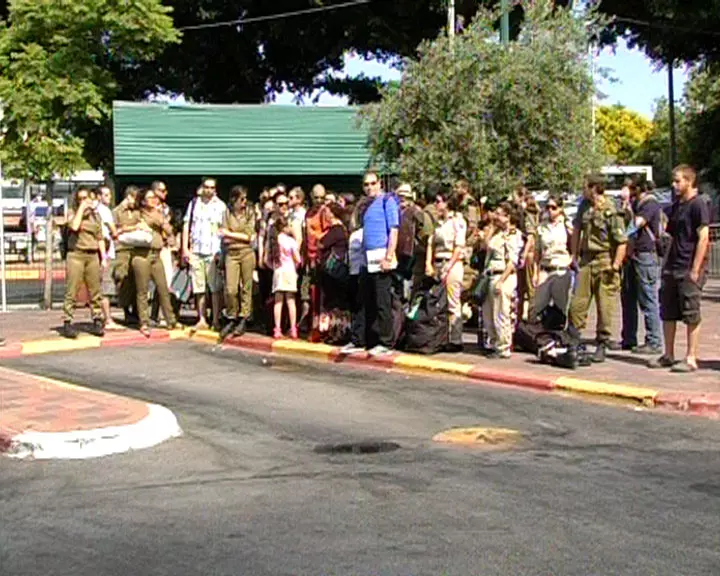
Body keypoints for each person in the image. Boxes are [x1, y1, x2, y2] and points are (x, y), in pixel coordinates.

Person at [649, 165, 711, 373]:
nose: (674, 185)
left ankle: (691, 357)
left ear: (689, 181)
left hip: (688, 266)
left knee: (691, 311)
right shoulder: (677, 205)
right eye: (674, 181)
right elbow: (669, 232)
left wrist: (695, 268)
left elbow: (703, 237)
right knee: (667, 311)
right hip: (671, 266)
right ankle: (668, 354)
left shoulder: (699, 204)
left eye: (678, 181)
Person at [568, 176, 628, 363]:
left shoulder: (611, 209)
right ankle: (574, 340)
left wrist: (615, 266)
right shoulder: (584, 206)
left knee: (605, 306)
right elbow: (577, 229)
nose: (582, 191)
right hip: (586, 260)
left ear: (594, 188)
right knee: (577, 304)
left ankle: (602, 343)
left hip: (605, 261)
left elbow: (621, 242)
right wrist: (574, 254)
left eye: (585, 187)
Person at [341, 171, 400, 357]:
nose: (370, 187)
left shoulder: (387, 201)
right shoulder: (365, 206)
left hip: (382, 256)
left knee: (382, 301)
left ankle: (386, 342)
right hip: (367, 258)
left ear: (380, 183)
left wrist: (389, 256)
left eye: (373, 183)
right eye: (366, 184)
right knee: (363, 300)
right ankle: (360, 339)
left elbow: (394, 231)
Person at [620, 180, 663, 355]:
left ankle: (654, 340)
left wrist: (621, 237)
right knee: (628, 297)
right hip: (632, 255)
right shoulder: (634, 204)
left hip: (645, 256)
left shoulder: (650, 203)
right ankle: (629, 337)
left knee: (647, 298)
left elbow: (636, 224)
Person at [182, 178, 227, 331]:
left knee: (214, 288)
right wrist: (185, 248)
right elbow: (186, 225)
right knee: (198, 287)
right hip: (196, 249)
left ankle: (215, 319)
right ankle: (201, 318)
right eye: (206, 187)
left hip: (213, 251)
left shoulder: (220, 206)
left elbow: (224, 229)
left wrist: (221, 252)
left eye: (211, 187)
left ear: (215, 189)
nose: (208, 190)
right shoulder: (194, 203)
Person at [62, 188, 106, 339]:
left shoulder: (96, 216)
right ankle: (68, 321)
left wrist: (104, 257)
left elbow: (100, 237)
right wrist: (81, 208)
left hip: (92, 255)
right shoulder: (72, 213)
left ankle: (97, 319)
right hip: (76, 254)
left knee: (95, 290)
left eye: (86, 198)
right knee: (72, 289)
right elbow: (74, 226)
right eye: (80, 198)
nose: (84, 201)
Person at [425, 191, 467, 351]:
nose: (436, 205)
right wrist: (428, 264)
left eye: (438, 201)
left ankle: (455, 339)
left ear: (447, 203)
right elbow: (431, 244)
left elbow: (459, 246)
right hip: (438, 262)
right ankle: (441, 336)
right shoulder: (438, 222)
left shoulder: (457, 221)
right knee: (438, 302)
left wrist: (448, 266)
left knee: (452, 302)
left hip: (452, 262)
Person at [133, 188, 177, 337]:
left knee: (163, 287)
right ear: (143, 201)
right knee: (142, 290)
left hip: (156, 254)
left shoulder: (159, 214)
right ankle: (144, 322)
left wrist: (161, 220)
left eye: (155, 198)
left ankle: (171, 320)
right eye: (150, 198)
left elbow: (169, 230)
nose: (154, 200)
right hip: (142, 254)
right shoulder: (139, 214)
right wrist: (159, 220)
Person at [480, 203, 519, 359]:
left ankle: (503, 346)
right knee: (488, 314)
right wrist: (490, 230)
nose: (496, 216)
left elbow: (512, 261)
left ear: (507, 217)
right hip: (490, 274)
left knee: (501, 312)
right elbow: (484, 247)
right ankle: (494, 342)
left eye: (499, 214)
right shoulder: (496, 233)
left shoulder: (512, 234)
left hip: (503, 275)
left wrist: (501, 281)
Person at [219, 186, 256, 341]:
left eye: (245, 199)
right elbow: (223, 236)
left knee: (246, 287)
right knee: (231, 289)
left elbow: (249, 236)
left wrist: (229, 234)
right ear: (234, 199)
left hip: (246, 252)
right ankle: (231, 315)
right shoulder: (226, 214)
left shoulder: (249, 213)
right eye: (241, 199)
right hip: (231, 253)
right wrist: (234, 236)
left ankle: (244, 317)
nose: (244, 202)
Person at [533, 195, 572, 320]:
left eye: (553, 207)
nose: (550, 210)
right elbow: (537, 253)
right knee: (537, 307)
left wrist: (571, 260)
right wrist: (535, 273)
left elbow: (574, 246)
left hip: (561, 268)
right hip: (545, 269)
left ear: (560, 208)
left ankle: (560, 336)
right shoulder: (541, 227)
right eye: (548, 207)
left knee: (561, 308)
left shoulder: (566, 225)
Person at [318, 202, 351, 343]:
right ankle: (336, 332)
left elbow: (321, 244)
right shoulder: (341, 229)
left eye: (326, 211)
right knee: (337, 303)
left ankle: (337, 333)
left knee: (334, 303)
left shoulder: (336, 230)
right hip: (338, 272)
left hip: (333, 272)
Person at [396, 183, 434, 299]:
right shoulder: (396, 212)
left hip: (413, 255)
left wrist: (419, 244)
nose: (401, 200)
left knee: (412, 286)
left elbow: (428, 233)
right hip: (398, 254)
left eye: (404, 197)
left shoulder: (417, 212)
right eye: (399, 197)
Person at [301, 184, 329, 339]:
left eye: (322, 198)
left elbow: (327, 235)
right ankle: (308, 324)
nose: (319, 201)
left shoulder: (325, 213)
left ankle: (319, 328)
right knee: (307, 293)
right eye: (316, 197)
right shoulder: (308, 213)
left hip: (320, 259)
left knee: (320, 296)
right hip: (309, 259)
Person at [269, 216, 302, 339]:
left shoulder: (274, 241)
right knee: (290, 301)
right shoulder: (291, 241)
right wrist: (297, 265)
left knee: (278, 301)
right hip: (290, 270)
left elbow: (268, 259)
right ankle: (293, 328)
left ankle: (277, 328)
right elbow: (298, 259)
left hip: (278, 271)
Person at [96, 185, 123, 331]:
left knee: (101, 285)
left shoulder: (95, 210)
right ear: (99, 196)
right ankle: (108, 319)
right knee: (105, 287)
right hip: (106, 252)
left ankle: (101, 316)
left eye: (109, 195)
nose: (109, 197)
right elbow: (113, 231)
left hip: (102, 251)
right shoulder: (104, 211)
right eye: (106, 195)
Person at [113, 186, 141, 323]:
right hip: (122, 249)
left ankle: (136, 310)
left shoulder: (138, 211)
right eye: (134, 198)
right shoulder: (117, 212)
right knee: (123, 278)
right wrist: (132, 228)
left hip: (136, 248)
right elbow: (116, 230)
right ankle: (126, 310)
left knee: (137, 279)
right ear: (128, 196)